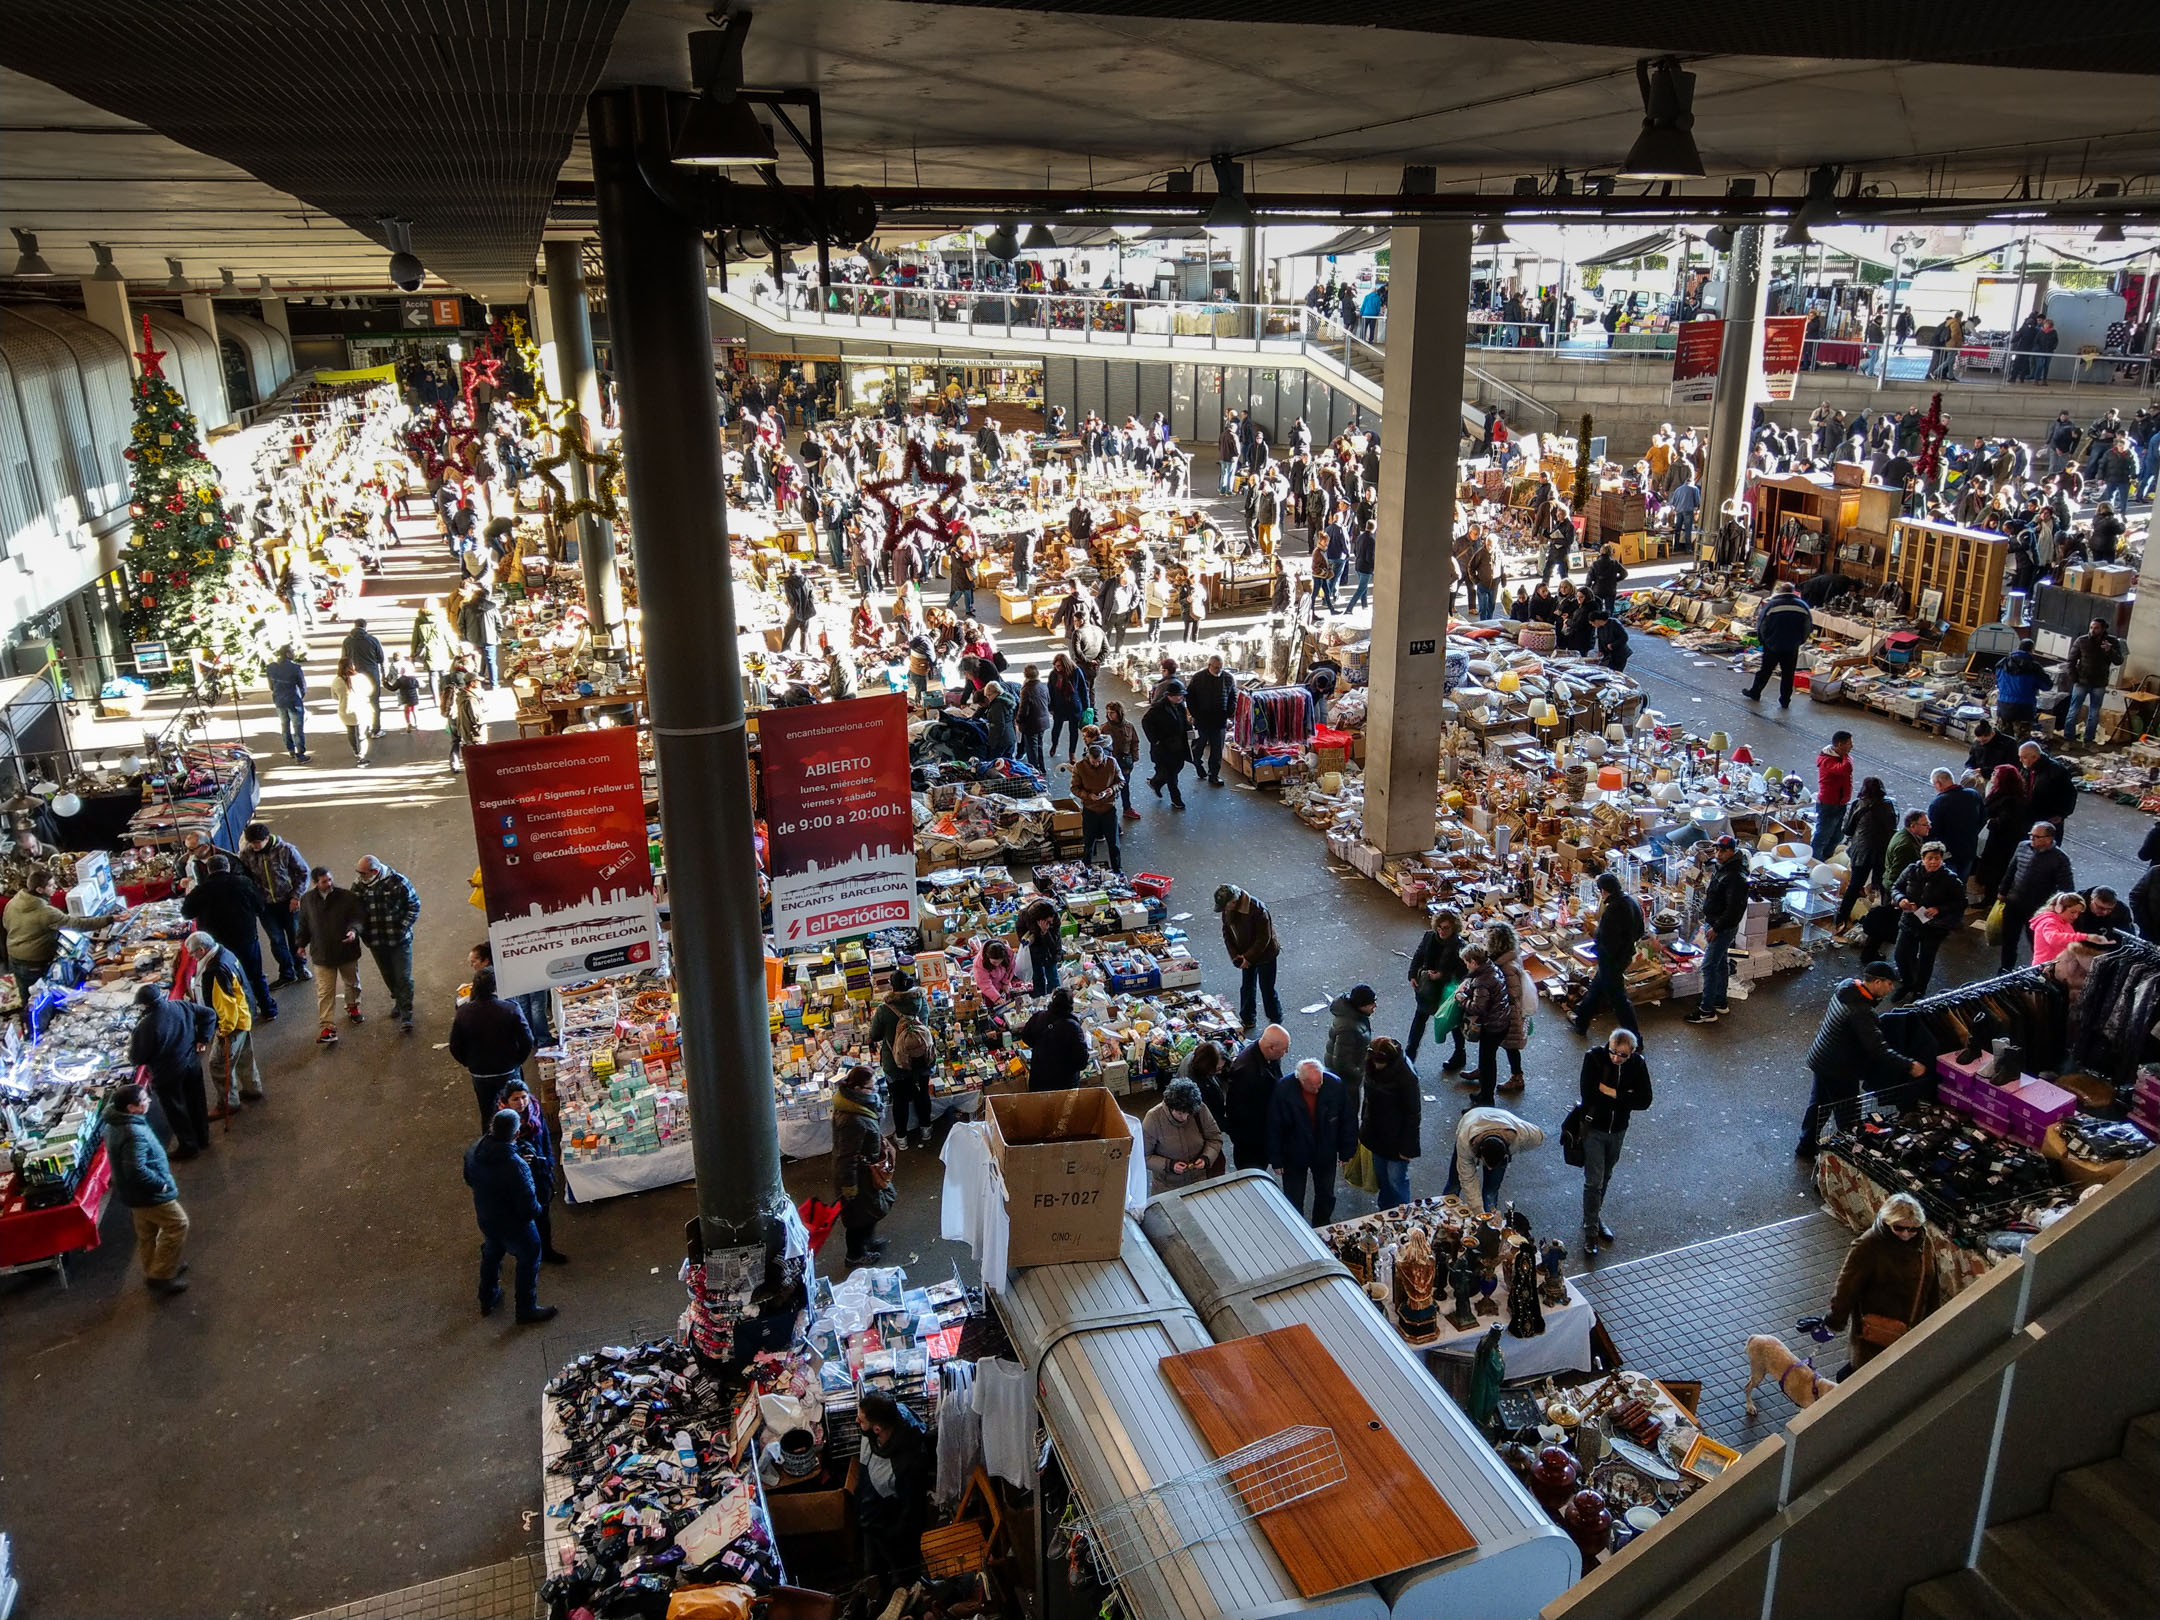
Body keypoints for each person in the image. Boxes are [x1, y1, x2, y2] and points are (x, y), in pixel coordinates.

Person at [1796, 963, 1925, 1157]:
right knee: (1848, 1116)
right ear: (1877, 982)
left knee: (1818, 1105)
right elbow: (1877, 1049)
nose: (1891, 989)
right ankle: (1847, 1156)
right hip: (1839, 1069)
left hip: (1821, 1057)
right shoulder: (1861, 1012)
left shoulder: (1846, 986)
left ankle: (1805, 1146)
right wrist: (1909, 1065)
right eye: (1889, 984)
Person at [1824, 1191, 1940, 1373]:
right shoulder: (1868, 1246)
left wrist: (1934, 1321)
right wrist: (1835, 1319)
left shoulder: (1923, 1244)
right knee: (1867, 1376)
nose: (1906, 1234)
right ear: (1887, 1222)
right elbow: (1846, 1287)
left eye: (1912, 1229)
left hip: (1911, 1329)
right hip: (1875, 1334)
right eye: (1899, 1228)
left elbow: (1932, 1285)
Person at [464, 1107, 556, 1324]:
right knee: (530, 1257)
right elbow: (528, 1205)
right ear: (516, 1135)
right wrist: (539, 1210)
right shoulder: (516, 1166)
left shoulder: (474, 1150)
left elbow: (469, 1178)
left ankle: (487, 1296)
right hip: (515, 1225)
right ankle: (526, 1308)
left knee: (492, 1253)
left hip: (487, 1216)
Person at [105, 1083, 190, 1295]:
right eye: (144, 1100)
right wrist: (160, 1184)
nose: (149, 1102)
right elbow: (136, 1170)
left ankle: (157, 1266)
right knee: (178, 1224)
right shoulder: (133, 1132)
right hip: (149, 1193)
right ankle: (161, 1274)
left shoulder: (116, 1123)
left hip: (132, 1194)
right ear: (131, 1108)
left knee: (147, 1232)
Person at [1577, 1029, 1652, 1256]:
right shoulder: (1594, 1058)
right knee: (1594, 1181)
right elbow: (1590, 1095)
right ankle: (1591, 1232)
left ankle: (1594, 1216)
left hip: (1618, 1130)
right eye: (1612, 1052)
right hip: (1594, 1129)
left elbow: (1645, 1100)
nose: (1615, 1058)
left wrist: (1612, 1093)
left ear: (1632, 1052)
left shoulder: (1637, 1064)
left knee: (1606, 1175)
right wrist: (1625, 1097)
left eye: (1622, 1055)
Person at [128, 983, 216, 1159]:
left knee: (176, 1110)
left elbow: (137, 1058)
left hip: (168, 1075)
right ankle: (203, 1138)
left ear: (145, 1005)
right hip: (191, 1064)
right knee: (197, 1103)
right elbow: (209, 1014)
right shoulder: (180, 1005)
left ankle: (189, 1147)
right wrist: (203, 1038)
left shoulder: (146, 1026)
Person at [855, 1388, 931, 1586]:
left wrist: (890, 1537)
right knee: (872, 1572)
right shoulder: (875, 1432)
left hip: (891, 1533)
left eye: (861, 1420)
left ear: (877, 1428)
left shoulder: (907, 1464)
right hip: (871, 1520)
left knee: (901, 1580)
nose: (857, 1422)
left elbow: (911, 1513)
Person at [1268, 1058, 1357, 1227]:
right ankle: (1296, 1228)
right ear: (1300, 1080)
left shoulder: (1334, 1085)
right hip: (1294, 1153)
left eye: (1320, 1084)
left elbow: (1348, 1120)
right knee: (1293, 1197)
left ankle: (1322, 1225)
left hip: (1325, 1151)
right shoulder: (1283, 1090)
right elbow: (1274, 1126)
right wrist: (1276, 1159)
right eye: (1312, 1085)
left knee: (1326, 1194)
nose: (1317, 1089)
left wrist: (1347, 1151)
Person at [183, 931, 262, 1113]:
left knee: (218, 1065)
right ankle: (253, 1088)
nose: (191, 957)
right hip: (244, 1016)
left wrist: (223, 1031)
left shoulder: (215, 970)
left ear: (202, 950)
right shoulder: (224, 953)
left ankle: (228, 1104)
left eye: (193, 953)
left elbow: (225, 1005)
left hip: (231, 1025)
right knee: (244, 1055)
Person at [495, 1076, 569, 1265]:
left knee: (543, 1214)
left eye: (524, 1097)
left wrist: (548, 1162)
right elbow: (500, 1151)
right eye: (515, 1099)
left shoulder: (535, 1111)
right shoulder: (503, 1122)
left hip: (540, 1171)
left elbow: (544, 1137)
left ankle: (547, 1250)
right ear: (506, 1101)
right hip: (518, 1178)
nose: (521, 1103)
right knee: (524, 1217)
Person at [450, 967, 536, 1126]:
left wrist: (469, 1062)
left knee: (487, 1112)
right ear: (497, 987)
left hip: (480, 1073)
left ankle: (491, 1144)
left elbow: (455, 1046)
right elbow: (527, 1039)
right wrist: (517, 1061)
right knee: (517, 1110)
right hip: (508, 1070)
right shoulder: (510, 1008)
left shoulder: (463, 1012)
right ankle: (519, 1143)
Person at [295, 865, 367, 1042]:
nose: (328, 883)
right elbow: (304, 925)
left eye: (329, 879)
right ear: (315, 883)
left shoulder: (347, 897)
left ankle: (352, 1006)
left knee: (352, 983)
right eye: (324, 881)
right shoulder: (307, 901)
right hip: (322, 954)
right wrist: (300, 944)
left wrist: (354, 931)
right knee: (325, 991)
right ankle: (327, 1027)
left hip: (346, 951)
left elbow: (358, 918)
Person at [832, 1066, 893, 1267]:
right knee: (858, 1217)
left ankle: (868, 1242)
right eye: (870, 1087)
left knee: (869, 1211)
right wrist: (849, 1186)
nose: (875, 1090)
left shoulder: (858, 1105)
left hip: (867, 1170)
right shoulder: (853, 1119)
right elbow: (846, 1156)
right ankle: (855, 1255)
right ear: (858, 1089)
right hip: (859, 1176)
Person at [353, 854, 420, 1032]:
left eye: (363, 873)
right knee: (388, 976)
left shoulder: (398, 882)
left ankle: (407, 1014)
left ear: (374, 871)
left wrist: (402, 928)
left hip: (399, 941)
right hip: (376, 941)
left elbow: (414, 905)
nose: (360, 877)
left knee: (403, 977)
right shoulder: (359, 886)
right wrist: (360, 931)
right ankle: (399, 999)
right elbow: (355, 913)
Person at [1571, 873, 1644, 1039]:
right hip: (1623, 956)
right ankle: (1581, 1022)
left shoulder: (1613, 910)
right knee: (1596, 989)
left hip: (1611, 960)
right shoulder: (1632, 902)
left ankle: (1635, 1037)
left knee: (1619, 1000)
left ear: (1603, 891)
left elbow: (1603, 937)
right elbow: (1640, 931)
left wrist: (1592, 931)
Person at [869, 968, 937, 1145]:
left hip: (895, 1062)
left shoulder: (884, 1009)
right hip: (922, 1059)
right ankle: (926, 1130)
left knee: (899, 1100)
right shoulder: (921, 1001)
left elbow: (875, 1035)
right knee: (922, 1094)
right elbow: (926, 1025)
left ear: (893, 987)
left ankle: (901, 1138)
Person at [240, 822, 310, 987]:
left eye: (257, 843)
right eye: (251, 843)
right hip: (265, 906)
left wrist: (296, 897)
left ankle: (300, 968)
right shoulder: (246, 854)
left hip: (288, 902)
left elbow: (303, 873)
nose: (254, 846)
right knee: (276, 940)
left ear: (266, 838)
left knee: (295, 937)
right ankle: (286, 973)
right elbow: (245, 878)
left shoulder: (286, 850)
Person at [1999, 821, 2074, 972]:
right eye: (2031, 835)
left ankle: (2039, 972)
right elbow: (2011, 870)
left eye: (2036, 837)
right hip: (2013, 903)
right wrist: (2002, 891)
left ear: (2049, 839)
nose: (2032, 839)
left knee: (2037, 944)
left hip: (2037, 910)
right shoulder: (2022, 847)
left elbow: (2066, 888)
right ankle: (2005, 970)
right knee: (2008, 940)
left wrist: (2056, 909)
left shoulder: (2060, 859)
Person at [1690, 835, 1749, 1024]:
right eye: (1717, 850)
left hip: (1721, 927)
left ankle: (1706, 1010)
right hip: (1717, 923)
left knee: (1708, 966)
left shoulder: (1736, 877)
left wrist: (1716, 927)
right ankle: (1720, 1002)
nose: (1718, 854)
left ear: (1732, 851)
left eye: (1723, 851)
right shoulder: (1724, 867)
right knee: (1721, 963)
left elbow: (1735, 909)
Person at [1358, 1037, 1421, 1209]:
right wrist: (1364, 1125)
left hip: (1396, 1140)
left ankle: (1401, 1215)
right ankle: (1385, 1211)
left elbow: (1412, 1114)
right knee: (1383, 1179)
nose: (1377, 1065)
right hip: (1377, 1135)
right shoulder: (1372, 1066)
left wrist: (1407, 1148)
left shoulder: (1406, 1077)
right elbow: (1368, 1100)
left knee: (1396, 1181)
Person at [1215, 883, 1283, 1031]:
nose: (1224, 911)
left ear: (1233, 902)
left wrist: (1248, 958)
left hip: (1266, 954)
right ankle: (1247, 1018)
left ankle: (1275, 1019)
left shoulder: (1258, 909)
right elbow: (1227, 932)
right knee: (1247, 986)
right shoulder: (1228, 910)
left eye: (1226, 907)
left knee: (1267, 988)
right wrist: (1236, 957)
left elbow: (1264, 938)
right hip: (1244, 952)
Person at [5, 867, 76, 1009]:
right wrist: (110, 919)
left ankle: (28, 1024)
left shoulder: (13, 902)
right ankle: (36, 1026)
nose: (56, 887)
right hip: (33, 964)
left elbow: (6, 924)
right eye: (50, 885)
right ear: (39, 890)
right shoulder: (45, 911)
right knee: (38, 1002)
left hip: (15, 957)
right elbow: (76, 923)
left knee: (26, 996)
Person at [1450, 1106, 1543, 1214]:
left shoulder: (1523, 1133)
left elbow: (1540, 1137)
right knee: (1454, 1182)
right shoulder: (1464, 1142)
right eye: (1486, 1163)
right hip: (1473, 1118)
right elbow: (1467, 1179)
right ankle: (1446, 1211)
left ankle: (1491, 1216)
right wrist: (1478, 1212)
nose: (1489, 1168)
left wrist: (1514, 1149)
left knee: (1490, 1191)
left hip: (1504, 1121)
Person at [1221, 1024, 1290, 1170]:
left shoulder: (1265, 1055)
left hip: (1260, 1133)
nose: (1287, 1052)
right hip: (1251, 1142)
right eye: (1284, 1049)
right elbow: (1239, 1113)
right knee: (1253, 1174)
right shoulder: (1247, 1071)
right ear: (1271, 1048)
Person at [1406, 907, 1466, 1068]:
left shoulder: (1460, 945)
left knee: (1453, 1022)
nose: (1441, 931)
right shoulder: (1429, 937)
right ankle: (1409, 1057)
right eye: (1439, 927)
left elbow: (1462, 971)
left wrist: (1442, 975)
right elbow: (1418, 955)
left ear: (1454, 927)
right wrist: (1412, 975)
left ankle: (1460, 1054)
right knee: (1419, 1020)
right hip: (1428, 989)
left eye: (1446, 928)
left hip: (1446, 991)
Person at [1454, 943, 1513, 1107]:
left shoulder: (1482, 981)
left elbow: (1477, 1007)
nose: (1465, 965)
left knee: (1487, 1062)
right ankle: (1484, 1093)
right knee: (1487, 1060)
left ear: (1473, 962)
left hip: (1492, 1026)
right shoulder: (1491, 968)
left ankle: (1486, 1098)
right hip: (1501, 1020)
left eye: (1466, 962)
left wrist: (1460, 997)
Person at [1835, 778, 1898, 928]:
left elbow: (1847, 829)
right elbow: (1894, 826)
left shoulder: (1858, 803)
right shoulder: (1891, 803)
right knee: (1884, 886)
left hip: (1862, 852)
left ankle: (1840, 918)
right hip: (1883, 851)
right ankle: (1885, 920)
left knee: (1855, 886)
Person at [1143, 1077, 1224, 1194]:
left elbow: (1214, 1138)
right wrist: (1169, 1165)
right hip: (1168, 1188)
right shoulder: (1153, 1118)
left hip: (1199, 1182)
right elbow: (1144, 1156)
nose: (1184, 1118)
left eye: (1188, 1113)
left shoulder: (1200, 1109)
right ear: (1170, 1106)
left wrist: (1206, 1158)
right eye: (1180, 1113)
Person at [1744, 582, 1814, 707]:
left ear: (1780, 591)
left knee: (1765, 670)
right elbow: (1807, 626)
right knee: (1788, 673)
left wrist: (1763, 640)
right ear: (1793, 592)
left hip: (1772, 644)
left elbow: (1762, 625)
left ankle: (1755, 692)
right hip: (1792, 645)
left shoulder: (1772, 605)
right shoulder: (1802, 606)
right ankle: (1785, 700)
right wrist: (1800, 640)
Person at [2063, 617, 2125, 750]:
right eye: (2091, 627)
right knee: (2073, 712)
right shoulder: (2082, 640)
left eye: (2096, 628)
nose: (2092, 630)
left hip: (2099, 684)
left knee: (2094, 714)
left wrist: (2110, 650)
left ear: (2103, 629)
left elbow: (2119, 660)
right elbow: (2071, 661)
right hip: (2081, 682)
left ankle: (2088, 742)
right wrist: (2074, 679)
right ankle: (2068, 740)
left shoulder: (2112, 642)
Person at [1070, 729, 1124, 874]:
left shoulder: (1112, 763)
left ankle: (1118, 870)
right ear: (1088, 758)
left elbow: (1121, 781)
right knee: (1088, 843)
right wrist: (1088, 795)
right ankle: (1085, 870)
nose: (1096, 764)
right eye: (1094, 762)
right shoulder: (1080, 767)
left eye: (1099, 761)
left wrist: (1111, 790)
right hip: (1090, 809)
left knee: (1114, 844)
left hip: (1108, 808)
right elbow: (1074, 788)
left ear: (1103, 757)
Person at [1019, 986, 1091, 1093]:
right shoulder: (1074, 1027)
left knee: (1041, 1109)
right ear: (1070, 1005)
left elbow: (1025, 1037)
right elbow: (1082, 1061)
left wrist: (1041, 1047)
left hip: (1039, 1080)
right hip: (1064, 1085)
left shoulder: (1039, 1017)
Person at [1141, 678, 1193, 810]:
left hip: (1179, 745)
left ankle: (1156, 782)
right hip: (1164, 747)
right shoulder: (1158, 708)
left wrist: (1191, 735)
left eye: (1181, 695)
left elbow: (1185, 724)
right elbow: (1146, 722)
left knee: (1178, 767)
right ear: (1170, 696)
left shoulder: (1179, 706)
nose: (1181, 697)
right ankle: (1177, 800)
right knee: (1171, 774)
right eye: (1178, 695)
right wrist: (1155, 740)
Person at [1185, 655, 1236, 788]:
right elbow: (1190, 697)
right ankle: (1198, 764)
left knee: (1217, 750)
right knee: (1198, 746)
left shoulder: (1228, 678)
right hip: (1201, 721)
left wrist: (1228, 712)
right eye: (1216, 667)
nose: (1218, 670)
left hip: (1219, 722)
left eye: (1220, 667)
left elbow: (1233, 697)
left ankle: (1213, 775)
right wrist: (1195, 714)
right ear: (1209, 665)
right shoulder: (1198, 678)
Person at [1926, 768, 1984, 878]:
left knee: (1947, 883)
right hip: (1969, 848)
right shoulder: (1973, 795)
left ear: (1938, 783)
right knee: (1961, 882)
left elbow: (1932, 831)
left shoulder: (1939, 802)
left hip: (1949, 853)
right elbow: (1982, 819)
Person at [2019, 740, 2078, 841]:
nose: (2020, 760)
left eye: (2023, 757)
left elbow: (2070, 794)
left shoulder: (2056, 771)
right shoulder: (2027, 768)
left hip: (2048, 818)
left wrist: (2061, 814)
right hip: (2030, 816)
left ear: (2035, 757)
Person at [1992, 638, 2053, 736]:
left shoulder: (2003, 663)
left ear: (2018, 648)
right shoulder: (2034, 667)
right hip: (2024, 710)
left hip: (2003, 707)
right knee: (2021, 743)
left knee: (2002, 741)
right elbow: (2047, 686)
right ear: (2032, 650)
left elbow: (1998, 682)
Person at [339, 618, 387, 737]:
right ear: (365, 627)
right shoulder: (373, 640)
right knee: (374, 702)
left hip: (354, 676)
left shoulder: (347, 641)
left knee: (359, 703)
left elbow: (343, 660)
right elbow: (381, 659)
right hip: (372, 674)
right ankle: (376, 730)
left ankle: (362, 729)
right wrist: (384, 675)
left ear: (354, 626)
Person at [2029, 892, 2106, 966]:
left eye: (2078, 913)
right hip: (2045, 968)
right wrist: (2085, 937)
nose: (2076, 916)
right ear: (2059, 908)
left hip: (2060, 966)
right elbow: (2053, 939)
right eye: (2072, 912)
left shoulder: (2066, 923)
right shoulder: (2048, 922)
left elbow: (2070, 943)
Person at [1812, 732, 1855, 862]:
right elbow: (1845, 768)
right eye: (1849, 744)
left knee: (1837, 835)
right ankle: (1815, 861)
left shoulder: (1839, 757)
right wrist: (1847, 756)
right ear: (1839, 745)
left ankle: (1827, 858)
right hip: (1829, 804)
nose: (1852, 746)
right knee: (1823, 835)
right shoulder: (1827, 760)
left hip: (1840, 803)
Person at [265, 646, 311, 762]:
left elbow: (271, 686)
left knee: (285, 726)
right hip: (293, 700)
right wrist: (300, 697)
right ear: (287, 654)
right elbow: (303, 687)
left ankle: (290, 750)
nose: (294, 653)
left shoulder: (270, 668)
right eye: (292, 651)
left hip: (279, 700)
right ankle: (300, 754)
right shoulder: (295, 668)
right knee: (298, 728)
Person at [1046, 653, 1091, 764]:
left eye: (1059, 666)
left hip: (1074, 706)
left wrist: (1086, 706)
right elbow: (1050, 691)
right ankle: (1054, 744)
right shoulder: (1053, 674)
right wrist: (1050, 707)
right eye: (1056, 666)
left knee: (1073, 731)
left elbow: (1082, 689)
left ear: (1065, 665)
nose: (1057, 668)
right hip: (1059, 706)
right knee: (1056, 728)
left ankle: (1072, 753)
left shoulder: (1076, 672)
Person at [1102, 700, 1142, 821]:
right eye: (1108, 712)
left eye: (1112, 712)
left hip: (1125, 762)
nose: (1110, 715)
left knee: (1124, 785)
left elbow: (1135, 742)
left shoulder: (1129, 726)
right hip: (1110, 763)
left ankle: (1127, 808)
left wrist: (1135, 756)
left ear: (1119, 713)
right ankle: (1108, 811)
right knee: (1110, 787)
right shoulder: (1104, 728)